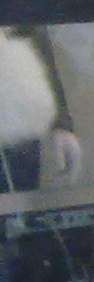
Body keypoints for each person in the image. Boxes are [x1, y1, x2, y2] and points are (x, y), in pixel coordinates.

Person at [0, 26, 79, 195]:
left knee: (20, 198)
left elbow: (33, 32)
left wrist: (61, 124)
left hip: (19, 131)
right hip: (19, 126)